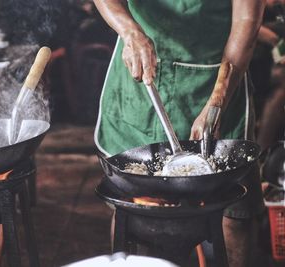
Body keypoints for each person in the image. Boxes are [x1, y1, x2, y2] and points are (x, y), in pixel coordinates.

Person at [93, 1, 265, 267]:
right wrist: (129, 31)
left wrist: (218, 100)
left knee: (234, 215)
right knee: (133, 208)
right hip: (140, 81)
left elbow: (246, 22)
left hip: (217, 80)